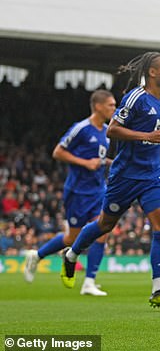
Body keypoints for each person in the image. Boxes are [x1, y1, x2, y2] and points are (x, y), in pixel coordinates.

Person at [59, 51, 160, 308]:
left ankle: (158, 289)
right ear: (152, 72)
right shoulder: (135, 98)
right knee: (104, 224)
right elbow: (113, 130)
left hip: (152, 173)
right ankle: (71, 255)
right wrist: (146, 136)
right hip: (125, 175)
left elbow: (152, 133)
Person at [24, 90, 116, 296]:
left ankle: (89, 282)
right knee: (71, 238)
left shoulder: (106, 131)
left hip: (98, 189)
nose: (114, 109)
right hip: (78, 191)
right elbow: (58, 152)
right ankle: (37, 256)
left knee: (102, 232)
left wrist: (114, 163)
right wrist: (84, 163)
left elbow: (100, 159)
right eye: (111, 105)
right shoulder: (81, 128)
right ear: (98, 106)